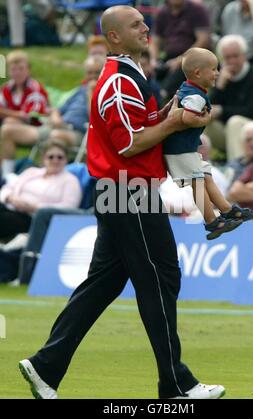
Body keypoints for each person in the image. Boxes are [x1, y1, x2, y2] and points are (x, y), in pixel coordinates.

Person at [19, 6, 226, 400]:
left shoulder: (131, 75)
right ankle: (176, 385)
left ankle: (45, 365)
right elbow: (129, 144)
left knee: (105, 281)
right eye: (135, 24)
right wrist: (176, 122)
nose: (146, 26)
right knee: (161, 277)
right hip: (127, 189)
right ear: (114, 36)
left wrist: (167, 113)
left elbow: (142, 128)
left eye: (143, 22)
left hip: (121, 190)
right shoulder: (118, 82)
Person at [163, 47, 253, 240]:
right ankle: (211, 221)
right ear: (198, 72)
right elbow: (188, 118)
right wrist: (205, 120)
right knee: (198, 182)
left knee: (207, 177)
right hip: (179, 150)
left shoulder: (192, 89)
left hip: (187, 149)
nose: (218, 73)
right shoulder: (195, 96)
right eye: (213, 69)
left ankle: (227, 209)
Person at [0, 55, 105, 178]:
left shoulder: (106, 92)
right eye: (89, 73)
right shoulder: (80, 90)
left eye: (96, 72)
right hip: (55, 126)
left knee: (55, 136)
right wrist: (56, 116)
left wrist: (92, 93)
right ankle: (8, 178)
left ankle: (44, 178)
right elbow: (58, 110)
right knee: (8, 131)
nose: (92, 76)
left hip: (77, 132)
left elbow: (96, 118)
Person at [207, 34, 253, 160]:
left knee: (235, 122)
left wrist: (222, 111)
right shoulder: (220, 77)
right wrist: (220, 87)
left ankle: (237, 169)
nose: (232, 61)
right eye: (227, 57)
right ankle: (204, 168)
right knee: (203, 120)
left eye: (236, 56)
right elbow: (210, 108)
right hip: (229, 130)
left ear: (244, 56)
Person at [0, 141, 82, 240]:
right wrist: (10, 198)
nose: (55, 160)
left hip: (33, 218)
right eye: (51, 157)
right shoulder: (31, 172)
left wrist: (34, 207)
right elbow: (7, 187)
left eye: (60, 157)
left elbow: (68, 208)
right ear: (44, 159)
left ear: (66, 160)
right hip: (10, 206)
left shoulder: (71, 181)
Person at [150, 0, 211, 101]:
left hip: (196, 56)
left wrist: (181, 59)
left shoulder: (197, 10)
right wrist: (153, 60)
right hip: (170, 57)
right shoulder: (162, 12)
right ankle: (150, 96)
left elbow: (203, 40)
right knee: (152, 70)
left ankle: (162, 96)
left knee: (184, 67)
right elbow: (155, 41)